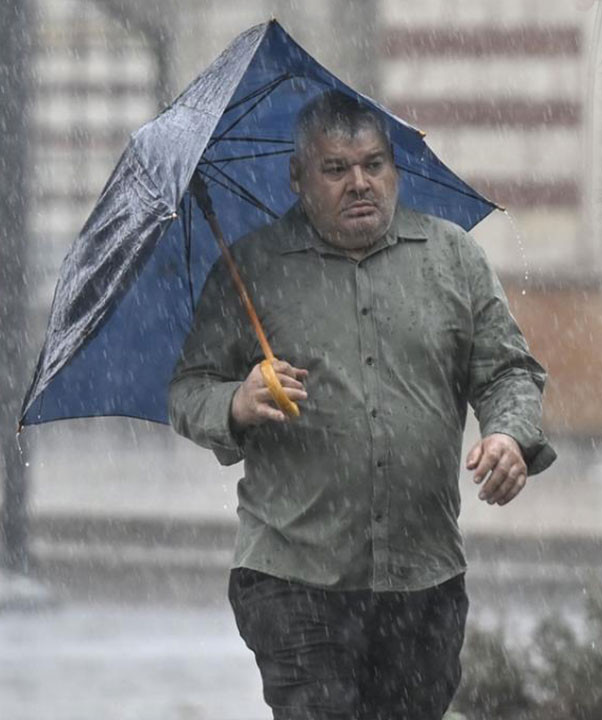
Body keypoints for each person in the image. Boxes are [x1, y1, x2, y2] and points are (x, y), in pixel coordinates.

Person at [169, 90, 555, 719]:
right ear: (297, 178)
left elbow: (509, 370)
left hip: (423, 579)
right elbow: (188, 389)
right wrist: (236, 401)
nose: (359, 183)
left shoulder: (452, 258)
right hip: (293, 579)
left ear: (395, 169)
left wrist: (510, 434)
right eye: (335, 169)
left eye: (374, 164)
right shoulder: (253, 269)